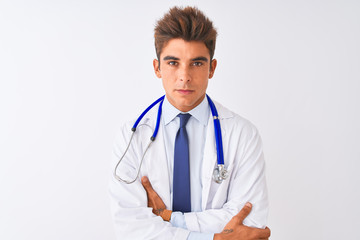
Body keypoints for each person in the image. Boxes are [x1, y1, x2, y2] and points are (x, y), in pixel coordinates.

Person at [109, 6, 271, 240]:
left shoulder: (242, 134)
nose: (184, 76)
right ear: (157, 68)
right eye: (173, 63)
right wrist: (214, 238)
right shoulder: (131, 135)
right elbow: (130, 226)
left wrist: (167, 217)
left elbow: (249, 223)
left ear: (212, 68)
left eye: (196, 63)